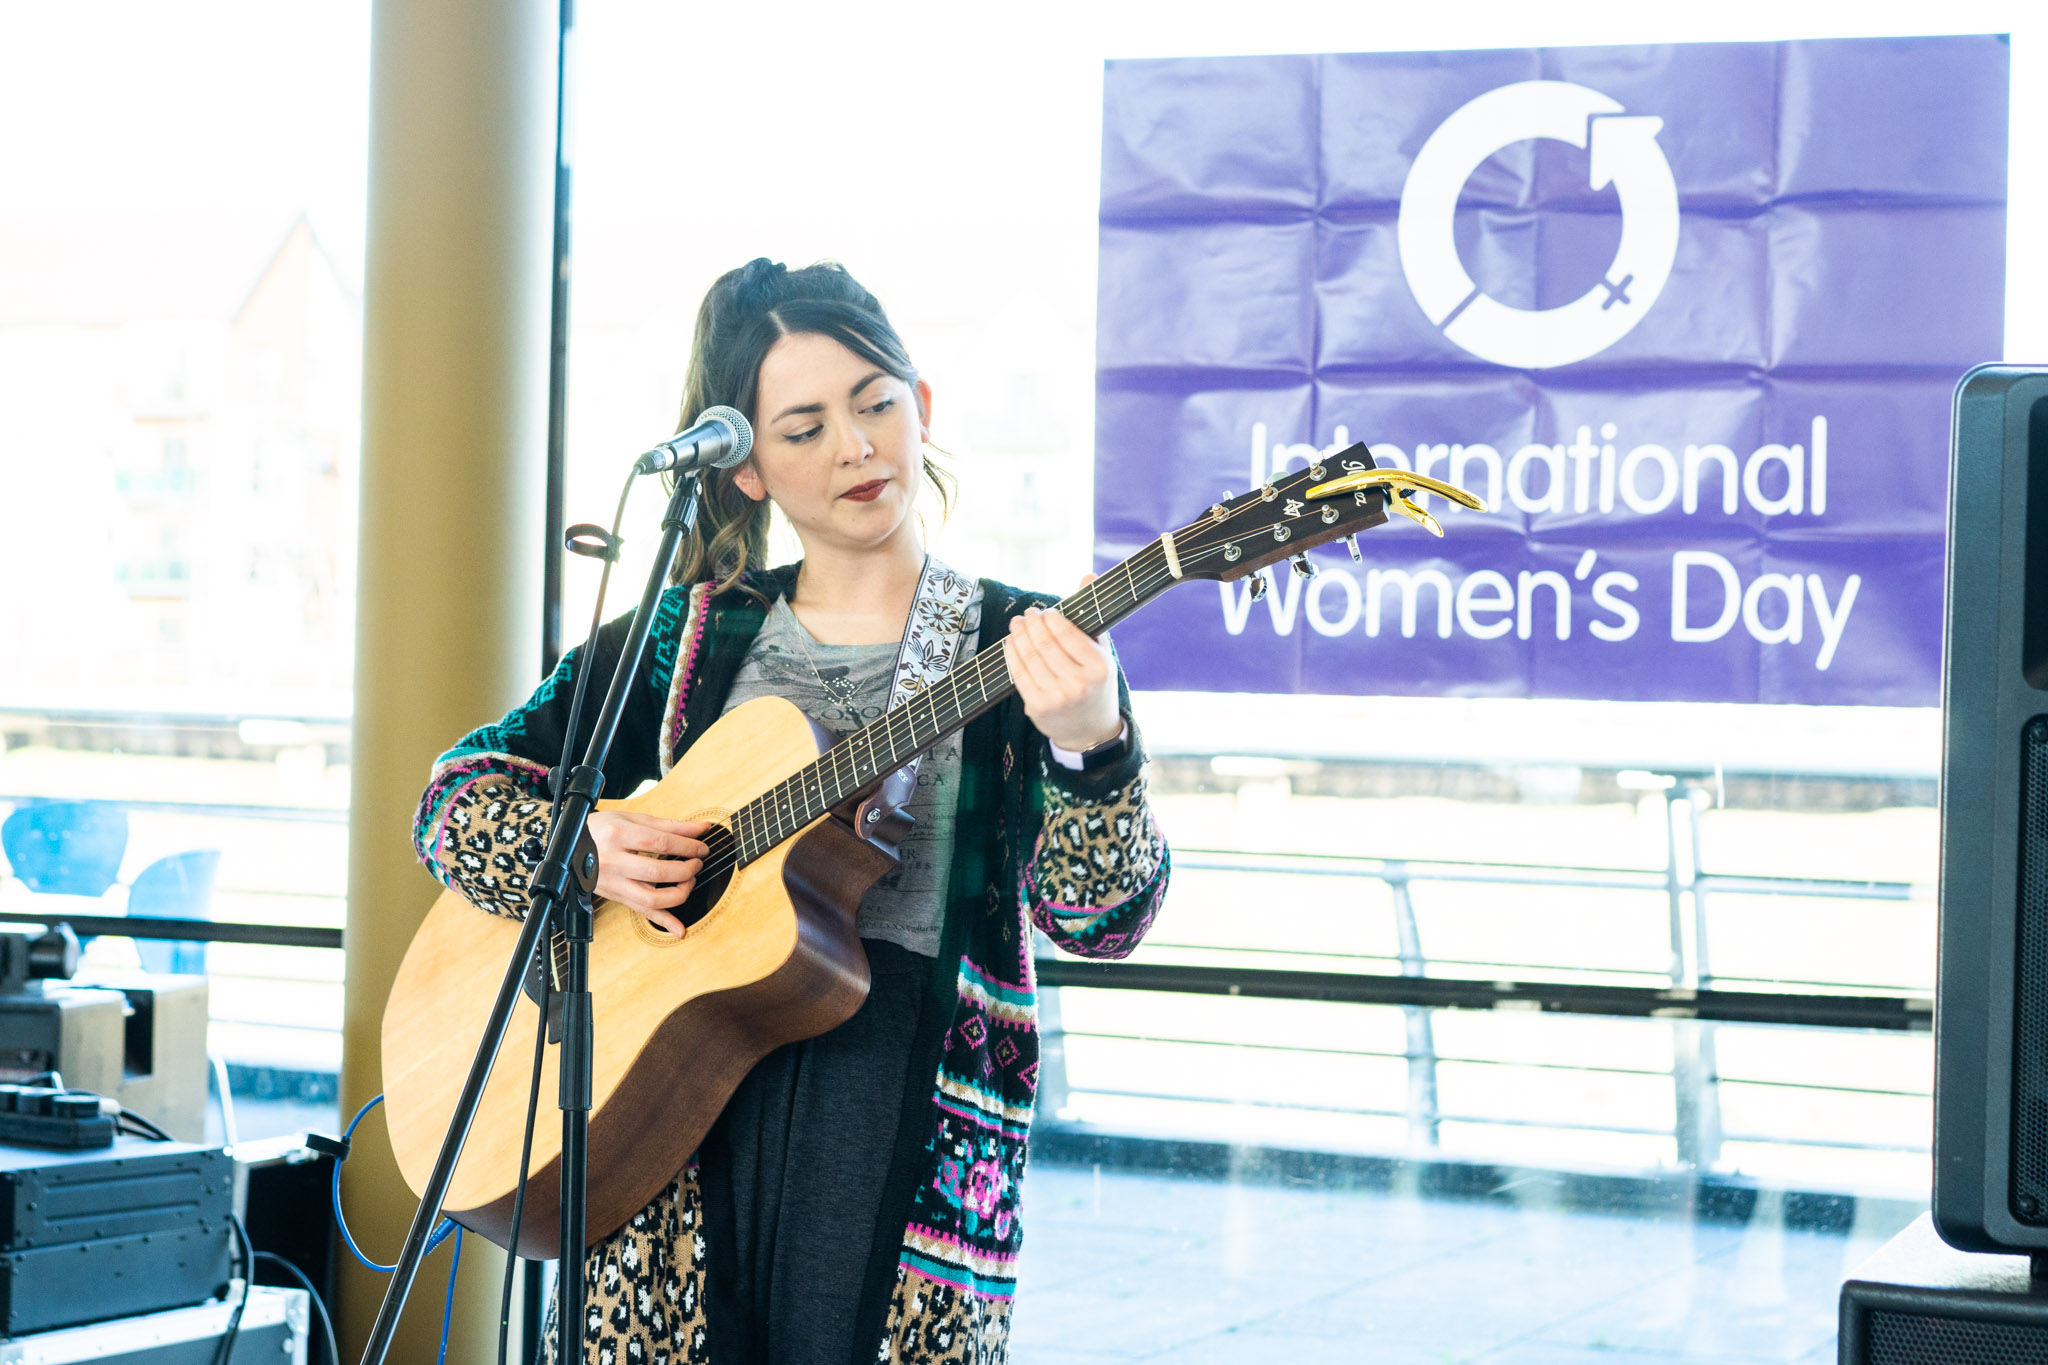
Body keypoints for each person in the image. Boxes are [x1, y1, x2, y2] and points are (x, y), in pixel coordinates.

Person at [411, 258, 1170, 1365]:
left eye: (873, 403)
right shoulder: (681, 643)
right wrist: (583, 848)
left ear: (921, 409)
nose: (855, 447)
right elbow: (453, 797)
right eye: (803, 427)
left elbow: (1101, 919)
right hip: (657, 1121)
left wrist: (1089, 743)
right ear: (750, 469)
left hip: (907, 1126)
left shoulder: (1026, 645)